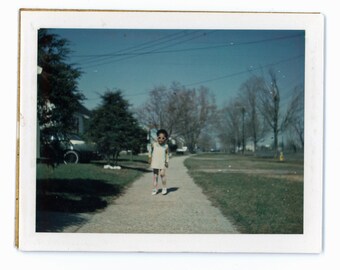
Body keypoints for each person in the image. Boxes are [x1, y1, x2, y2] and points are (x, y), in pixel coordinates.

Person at [148, 129, 169, 195]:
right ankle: (155, 189)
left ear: (165, 139)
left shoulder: (166, 146)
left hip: (162, 162)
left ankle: (164, 188)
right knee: (155, 176)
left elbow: (167, 154)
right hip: (155, 162)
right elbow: (150, 151)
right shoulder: (154, 144)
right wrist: (149, 157)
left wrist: (167, 161)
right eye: (159, 137)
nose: (161, 139)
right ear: (157, 137)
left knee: (162, 174)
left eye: (163, 138)